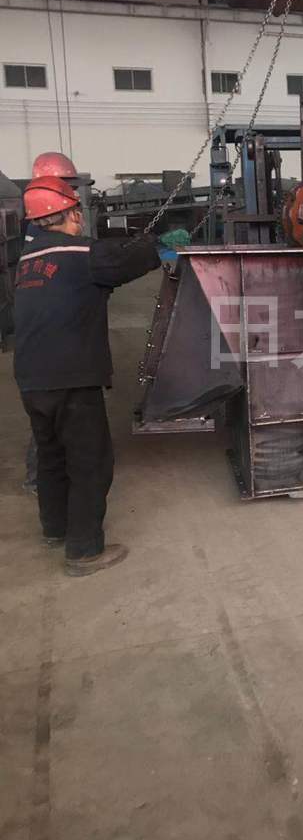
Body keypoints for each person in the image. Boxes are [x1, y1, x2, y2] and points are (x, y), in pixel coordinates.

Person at [14, 174, 161, 577]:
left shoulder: (27, 262)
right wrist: (156, 242)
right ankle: (83, 550)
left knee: (51, 457)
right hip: (71, 378)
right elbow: (130, 259)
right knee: (89, 461)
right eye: (77, 211)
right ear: (70, 213)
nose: (80, 218)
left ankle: (55, 529)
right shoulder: (80, 254)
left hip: (31, 379)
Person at [21, 152, 89, 495]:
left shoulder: (40, 225)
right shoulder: (45, 231)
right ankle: (39, 477)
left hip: (39, 339)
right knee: (50, 416)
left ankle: (45, 476)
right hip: (49, 342)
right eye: (67, 186)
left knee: (47, 413)